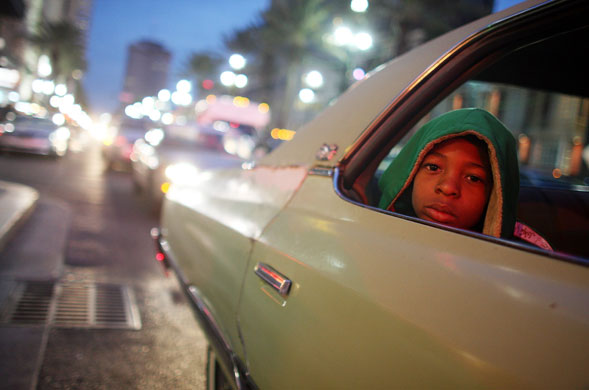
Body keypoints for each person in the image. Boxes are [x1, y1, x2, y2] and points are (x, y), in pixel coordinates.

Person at [378, 107, 551, 249]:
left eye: (473, 178)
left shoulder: (524, 258)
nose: (448, 188)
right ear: (410, 174)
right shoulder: (377, 234)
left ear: (495, 195)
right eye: (433, 167)